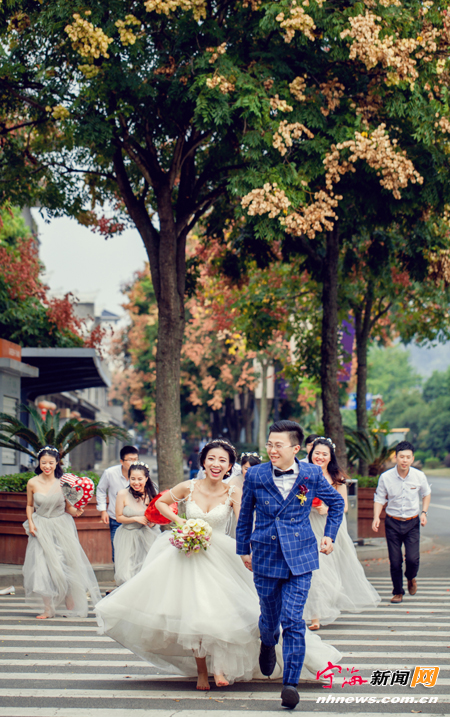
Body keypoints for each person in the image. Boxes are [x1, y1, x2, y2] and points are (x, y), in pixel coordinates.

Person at [95, 438, 342, 693]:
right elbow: (159, 503)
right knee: (192, 614)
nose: (216, 464)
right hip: (186, 557)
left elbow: (245, 522)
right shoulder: (188, 487)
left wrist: (252, 549)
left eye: (223, 460)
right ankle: (203, 671)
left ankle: (223, 665)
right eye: (211, 458)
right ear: (203, 462)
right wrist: (180, 522)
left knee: (220, 613)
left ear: (229, 467)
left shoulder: (233, 493)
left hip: (219, 555)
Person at [236, 420, 345, 710]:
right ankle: (267, 641)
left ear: (296, 449)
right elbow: (245, 514)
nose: (272, 450)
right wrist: (243, 550)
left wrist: (329, 535)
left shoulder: (311, 473)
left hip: (301, 556)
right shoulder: (256, 474)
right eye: (269, 444)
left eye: (278, 445)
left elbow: (336, 504)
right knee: (270, 618)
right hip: (265, 555)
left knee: (293, 620)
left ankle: (291, 685)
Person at [304, 437, 381, 630]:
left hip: (327, 527)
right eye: (317, 453)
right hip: (307, 525)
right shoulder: (302, 474)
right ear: (310, 454)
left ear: (330, 457)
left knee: (325, 570)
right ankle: (315, 616)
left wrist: (326, 509)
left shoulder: (337, 478)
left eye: (324, 454)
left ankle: (323, 606)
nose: (320, 457)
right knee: (314, 571)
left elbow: (344, 506)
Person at [22, 445, 101, 619]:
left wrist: (77, 511)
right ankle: (48, 608)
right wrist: (31, 523)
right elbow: (29, 505)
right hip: (40, 526)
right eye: (44, 462)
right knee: (41, 567)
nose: (47, 466)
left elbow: (69, 508)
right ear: (39, 463)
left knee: (64, 564)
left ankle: (69, 599)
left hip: (61, 526)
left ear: (57, 463)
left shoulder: (64, 483)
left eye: (51, 462)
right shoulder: (32, 482)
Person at [372, 441, 431, 604]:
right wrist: (376, 517)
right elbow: (379, 498)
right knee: (395, 560)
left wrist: (424, 513)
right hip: (392, 522)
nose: (404, 460)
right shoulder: (386, 477)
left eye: (408, 457)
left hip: (412, 522)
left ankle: (411, 577)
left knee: (412, 559)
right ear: (396, 458)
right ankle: (398, 591)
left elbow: (426, 494)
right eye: (401, 457)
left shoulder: (419, 476)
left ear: (412, 459)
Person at [113, 462, 160, 586]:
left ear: (146, 478)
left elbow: (157, 516)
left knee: (146, 571)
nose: (136, 482)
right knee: (125, 574)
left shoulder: (152, 494)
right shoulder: (122, 493)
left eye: (140, 479)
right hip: (128, 536)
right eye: (133, 479)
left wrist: (152, 523)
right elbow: (119, 517)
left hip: (148, 536)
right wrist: (135, 518)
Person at [96, 445, 139, 561]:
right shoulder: (110, 473)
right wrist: (103, 510)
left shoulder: (141, 474)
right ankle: (119, 572)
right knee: (118, 552)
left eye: (136, 459)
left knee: (135, 553)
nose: (133, 463)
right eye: (130, 460)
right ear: (121, 461)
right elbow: (101, 490)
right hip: (116, 519)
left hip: (136, 519)